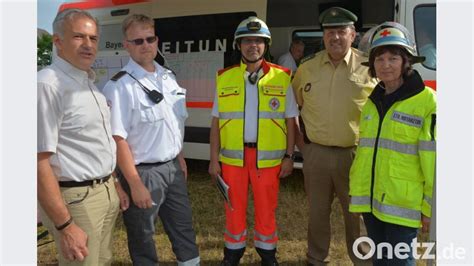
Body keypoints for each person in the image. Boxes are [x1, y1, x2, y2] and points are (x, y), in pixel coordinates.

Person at [101, 14, 200, 266]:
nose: (145, 44)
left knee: (183, 228)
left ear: (157, 40)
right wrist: (134, 183)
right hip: (142, 173)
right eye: (137, 41)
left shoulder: (168, 77)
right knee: (143, 236)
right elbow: (117, 139)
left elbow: (174, 122)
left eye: (150, 38)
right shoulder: (119, 86)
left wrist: (180, 158)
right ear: (126, 44)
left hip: (173, 168)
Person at [37, 8, 129, 265]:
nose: (88, 45)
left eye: (93, 38)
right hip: (76, 200)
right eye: (79, 37)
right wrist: (65, 225)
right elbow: (38, 162)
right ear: (58, 42)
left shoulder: (88, 83)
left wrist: (114, 183)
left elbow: (94, 143)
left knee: (102, 260)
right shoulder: (48, 85)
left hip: (104, 192)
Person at [208, 16, 298, 266]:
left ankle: (267, 254)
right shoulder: (224, 78)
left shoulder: (282, 77)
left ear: (266, 45)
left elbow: (291, 120)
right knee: (233, 209)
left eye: (258, 41)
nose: (253, 46)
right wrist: (213, 159)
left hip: (267, 161)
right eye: (247, 40)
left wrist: (290, 157)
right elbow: (216, 122)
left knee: (266, 209)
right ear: (238, 45)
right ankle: (232, 253)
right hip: (232, 159)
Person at [292, 7, 377, 265]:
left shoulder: (369, 67)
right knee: (317, 213)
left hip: (355, 154)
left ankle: (362, 260)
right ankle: (317, 258)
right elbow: (293, 108)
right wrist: (303, 147)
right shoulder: (307, 68)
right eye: (330, 32)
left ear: (353, 35)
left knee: (357, 214)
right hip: (316, 153)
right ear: (323, 36)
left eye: (342, 31)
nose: (335, 37)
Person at [349, 22, 436, 265]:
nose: (385, 65)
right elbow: (365, 154)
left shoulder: (427, 102)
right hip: (373, 203)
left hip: (403, 207)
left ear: (406, 61)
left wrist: (431, 208)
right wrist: (359, 196)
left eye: (393, 58)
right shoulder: (373, 100)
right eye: (380, 59)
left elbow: (434, 163)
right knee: (380, 259)